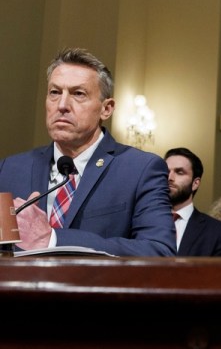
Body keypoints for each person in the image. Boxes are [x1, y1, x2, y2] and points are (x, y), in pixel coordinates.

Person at [1, 48, 175, 256]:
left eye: (78, 94)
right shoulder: (9, 169)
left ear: (106, 109)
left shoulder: (140, 170)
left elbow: (159, 251)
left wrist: (54, 240)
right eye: (55, 92)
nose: (62, 105)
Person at [165, 147, 221, 256]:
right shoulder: (140, 222)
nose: (169, 178)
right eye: (166, 172)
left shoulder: (217, 231)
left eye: (179, 172)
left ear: (195, 183)